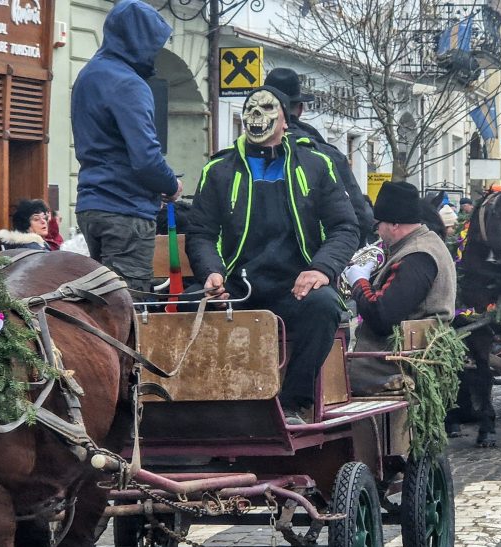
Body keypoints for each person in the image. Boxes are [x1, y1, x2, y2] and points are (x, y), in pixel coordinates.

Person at [185, 85, 359, 425]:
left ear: (284, 121)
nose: (257, 116)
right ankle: (208, 407)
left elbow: (345, 227)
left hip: (295, 288)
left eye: (266, 109)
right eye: (251, 109)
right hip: (238, 287)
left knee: (324, 307)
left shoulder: (316, 165)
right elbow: (202, 234)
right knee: (189, 306)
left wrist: (321, 269)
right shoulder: (218, 170)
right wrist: (211, 273)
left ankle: (292, 404)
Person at [71, 0, 182, 297]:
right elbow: (146, 159)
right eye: (153, 43)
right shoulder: (129, 84)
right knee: (126, 310)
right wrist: (171, 185)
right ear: (140, 40)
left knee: (100, 307)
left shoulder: (88, 75)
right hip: (124, 209)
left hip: (91, 205)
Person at [346, 181, 457, 394]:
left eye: (378, 224)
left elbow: (383, 316)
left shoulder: (417, 255)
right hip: (403, 355)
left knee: (323, 371)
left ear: (395, 225)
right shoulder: (425, 242)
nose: (377, 231)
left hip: (392, 362)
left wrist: (359, 281)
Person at [264, 68, 375, 235]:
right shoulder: (329, 157)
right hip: (315, 259)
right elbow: (359, 219)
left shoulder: (236, 157)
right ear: (300, 109)